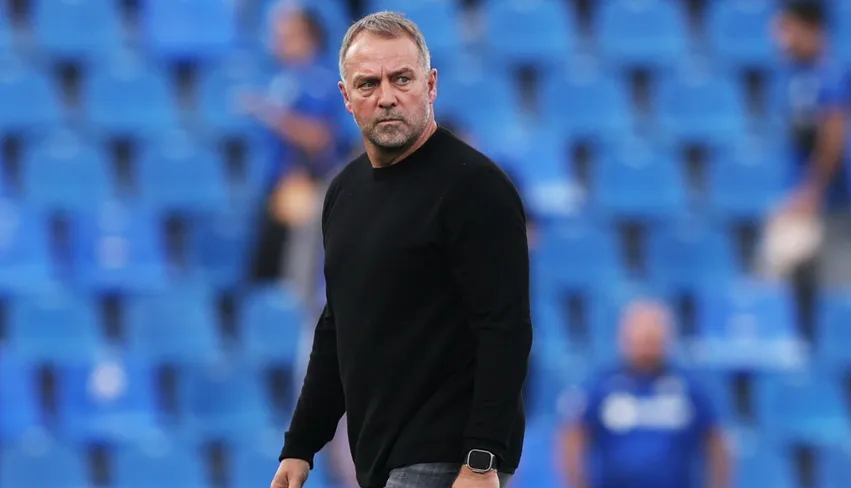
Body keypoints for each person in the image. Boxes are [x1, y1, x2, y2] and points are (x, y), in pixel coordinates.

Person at [270, 11, 532, 488]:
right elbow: (337, 326)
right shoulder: (343, 192)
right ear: (346, 97)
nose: (386, 96)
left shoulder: (475, 187)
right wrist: (301, 445)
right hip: (379, 454)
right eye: (368, 84)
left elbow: (505, 329)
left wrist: (481, 458)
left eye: (402, 79)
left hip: (448, 455)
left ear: (431, 86)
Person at [766, 0, 851, 334]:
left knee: (843, 297)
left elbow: (834, 136)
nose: (782, 38)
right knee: (786, 291)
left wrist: (811, 192)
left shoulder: (830, 75)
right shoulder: (791, 75)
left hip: (832, 210)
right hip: (802, 206)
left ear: (812, 29)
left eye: (788, 29)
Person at [557, 300, 730, 488]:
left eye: (653, 337)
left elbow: (717, 441)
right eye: (641, 337)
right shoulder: (601, 385)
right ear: (623, 337)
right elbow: (572, 436)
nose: (647, 344)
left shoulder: (689, 387)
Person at [244, 3, 353, 301]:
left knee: (294, 282)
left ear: (309, 36)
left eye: (287, 34)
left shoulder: (322, 81)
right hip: (274, 190)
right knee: (264, 284)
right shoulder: (279, 77)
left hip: (303, 189)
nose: (277, 40)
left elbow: (321, 138)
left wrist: (273, 116)